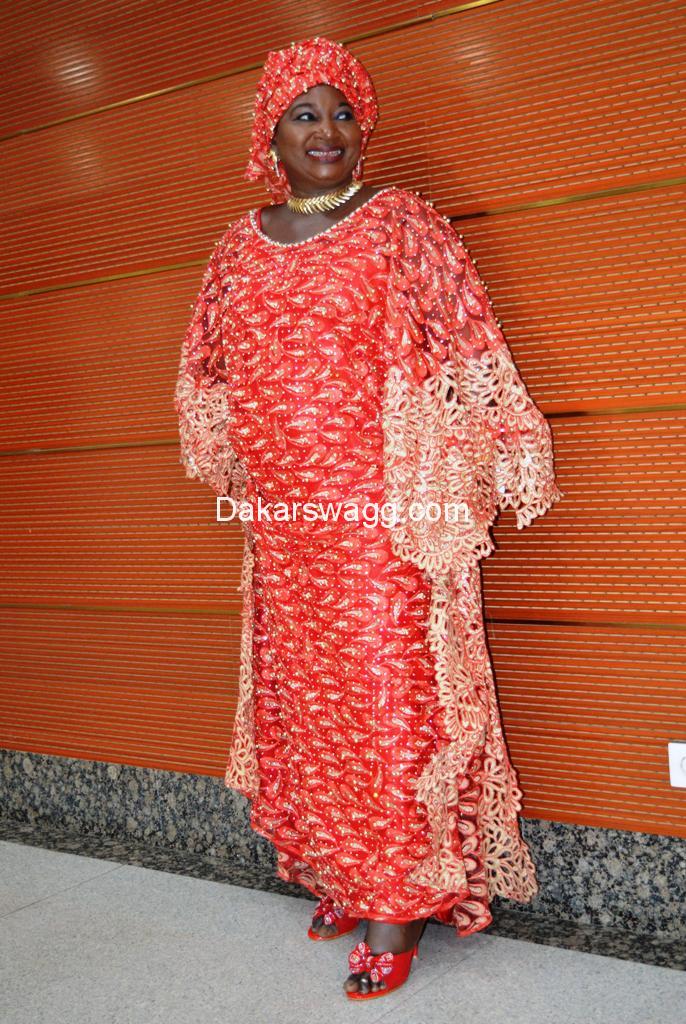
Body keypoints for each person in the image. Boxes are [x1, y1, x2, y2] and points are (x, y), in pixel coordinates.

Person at [174, 35, 563, 1001]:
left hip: (385, 522)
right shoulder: (238, 243)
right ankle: (346, 872)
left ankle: (399, 903)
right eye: (306, 113)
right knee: (309, 706)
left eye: (344, 111)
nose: (329, 131)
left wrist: (486, 460)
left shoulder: (400, 226)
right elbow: (205, 373)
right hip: (287, 528)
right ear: (271, 131)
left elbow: (465, 338)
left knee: (390, 704)